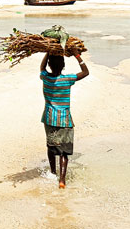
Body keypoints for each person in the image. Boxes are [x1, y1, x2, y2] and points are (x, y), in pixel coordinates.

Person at [39, 52, 89, 189]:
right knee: (64, 151)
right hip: (64, 120)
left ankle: (53, 172)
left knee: (51, 145)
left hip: (49, 118)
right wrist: (77, 55)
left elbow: (41, 68)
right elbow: (85, 72)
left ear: (50, 65)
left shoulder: (46, 78)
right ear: (63, 66)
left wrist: (48, 53)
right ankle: (62, 180)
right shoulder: (67, 79)